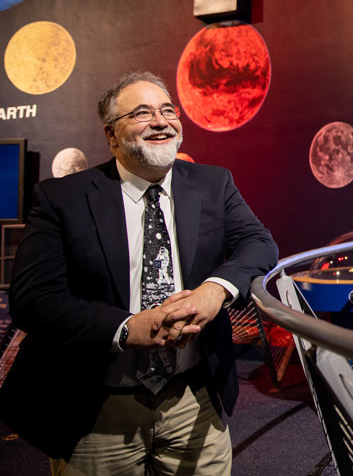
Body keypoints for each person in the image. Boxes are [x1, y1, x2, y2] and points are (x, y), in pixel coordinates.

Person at [0, 72, 278, 474]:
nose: (161, 120)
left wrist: (214, 291)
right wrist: (126, 328)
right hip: (95, 409)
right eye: (143, 113)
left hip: (193, 398)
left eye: (168, 109)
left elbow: (259, 242)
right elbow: (32, 300)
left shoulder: (214, 183)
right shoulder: (63, 199)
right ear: (112, 135)